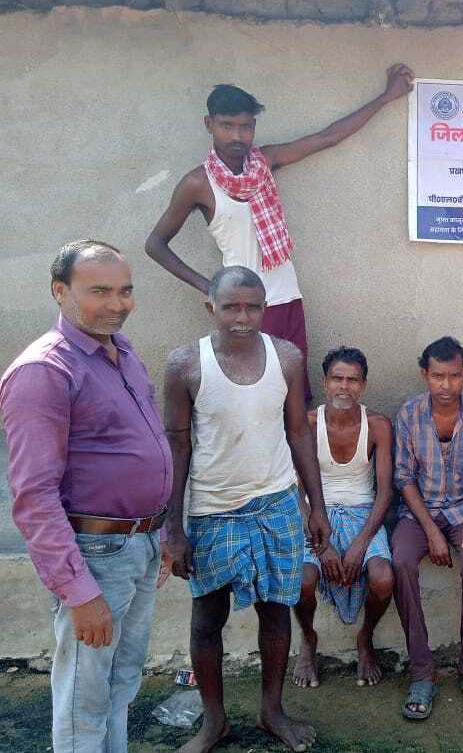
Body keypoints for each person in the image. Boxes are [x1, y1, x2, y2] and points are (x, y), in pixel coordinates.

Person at [145, 65, 414, 400]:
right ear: (209, 124)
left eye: (245, 126)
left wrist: (387, 96)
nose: (237, 136)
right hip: (246, 307)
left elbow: (327, 137)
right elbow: (155, 244)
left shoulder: (266, 162)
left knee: (294, 396)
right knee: (255, 395)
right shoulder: (198, 183)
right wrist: (208, 286)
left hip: (286, 295)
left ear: (253, 127)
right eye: (227, 126)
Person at [0, 240, 172, 752]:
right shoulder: (44, 372)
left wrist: (158, 531)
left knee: (120, 683)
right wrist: (78, 592)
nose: (118, 303)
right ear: (60, 291)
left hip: (140, 543)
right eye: (100, 291)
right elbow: (34, 496)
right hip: (96, 554)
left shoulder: (122, 353)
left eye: (125, 290)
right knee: (85, 696)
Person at [162, 265, 332, 753]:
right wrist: (174, 528)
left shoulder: (287, 357)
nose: (242, 317)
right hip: (213, 509)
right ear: (210, 307)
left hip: (276, 503)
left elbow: (298, 432)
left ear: (264, 308)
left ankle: (271, 711)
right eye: (231, 307)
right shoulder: (185, 365)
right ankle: (213, 722)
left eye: (252, 307)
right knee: (207, 619)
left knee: (276, 613)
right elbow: (177, 446)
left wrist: (316, 506)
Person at [391, 336, 463, 720]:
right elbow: (403, 478)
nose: (446, 385)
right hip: (418, 512)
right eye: (438, 376)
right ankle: (423, 672)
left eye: (454, 375)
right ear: (425, 374)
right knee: (401, 563)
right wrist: (432, 532)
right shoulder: (409, 414)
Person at [291, 347, 395, 690]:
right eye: (337, 378)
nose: (344, 386)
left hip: (363, 514)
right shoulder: (307, 424)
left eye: (353, 380)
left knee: (383, 577)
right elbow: (294, 489)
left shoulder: (378, 425)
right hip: (315, 516)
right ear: (325, 382)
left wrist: (360, 544)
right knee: (302, 581)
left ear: (363, 385)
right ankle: (308, 638)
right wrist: (322, 545)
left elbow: (385, 492)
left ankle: (365, 637)